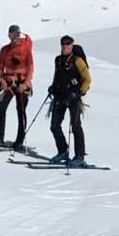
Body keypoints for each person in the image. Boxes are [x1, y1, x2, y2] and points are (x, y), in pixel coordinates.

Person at [47, 34, 91, 166]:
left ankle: (79, 157)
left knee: (75, 126)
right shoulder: (58, 60)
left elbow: (87, 79)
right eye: (63, 44)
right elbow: (57, 75)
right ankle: (62, 152)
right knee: (54, 126)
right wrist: (53, 87)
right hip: (60, 96)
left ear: (72, 46)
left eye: (68, 44)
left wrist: (79, 92)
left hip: (74, 97)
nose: (65, 46)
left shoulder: (77, 61)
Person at [0, 24, 34, 149]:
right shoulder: (4, 50)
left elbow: (31, 67)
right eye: (12, 34)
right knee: (1, 108)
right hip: (8, 83)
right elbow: (0, 68)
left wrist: (26, 84)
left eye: (17, 34)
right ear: (8, 35)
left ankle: (19, 140)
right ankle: (0, 137)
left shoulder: (25, 49)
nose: (14, 36)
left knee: (21, 111)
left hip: (22, 83)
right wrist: (2, 81)